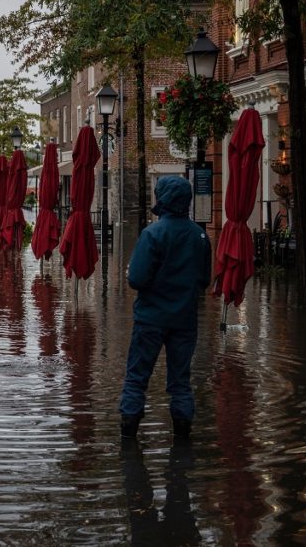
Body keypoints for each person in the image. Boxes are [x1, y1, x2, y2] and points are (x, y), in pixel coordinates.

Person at [119, 175, 211, 439]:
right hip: (184, 320)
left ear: (162, 198)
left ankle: (129, 438)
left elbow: (136, 278)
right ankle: (182, 438)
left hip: (150, 319)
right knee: (181, 382)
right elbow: (204, 280)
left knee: (137, 378)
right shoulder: (201, 236)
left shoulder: (152, 234)